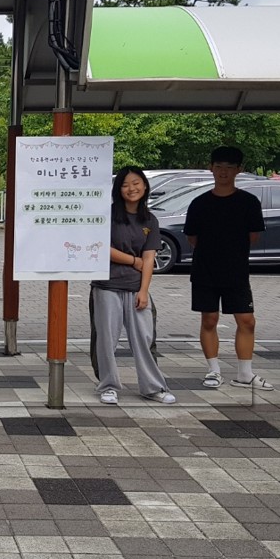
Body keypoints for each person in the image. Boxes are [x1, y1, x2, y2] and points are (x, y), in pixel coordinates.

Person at [184, 146, 271, 390]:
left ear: (239, 170)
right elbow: (193, 238)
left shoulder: (248, 202)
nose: (223, 172)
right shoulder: (199, 203)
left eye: (229, 167)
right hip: (205, 270)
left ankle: (245, 373)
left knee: (246, 320)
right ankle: (213, 370)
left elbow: (254, 235)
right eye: (219, 167)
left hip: (236, 270)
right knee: (209, 319)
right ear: (211, 168)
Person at [91, 166, 176, 405]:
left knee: (144, 338)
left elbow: (150, 258)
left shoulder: (150, 219)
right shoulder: (106, 216)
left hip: (135, 287)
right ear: (118, 189)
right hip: (107, 286)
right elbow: (100, 248)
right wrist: (133, 260)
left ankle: (153, 387)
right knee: (106, 338)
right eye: (126, 184)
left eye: (136, 183)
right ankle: (108, 385)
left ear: (145, 186)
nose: (132, 189)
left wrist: (144, 290)